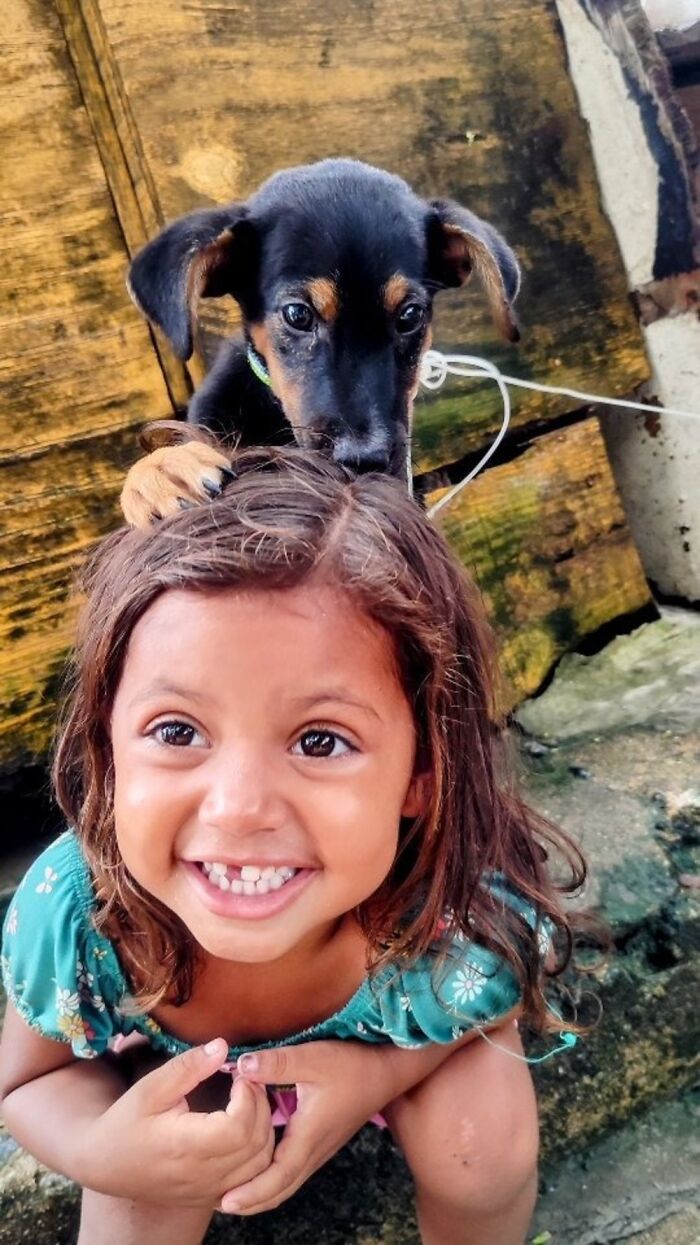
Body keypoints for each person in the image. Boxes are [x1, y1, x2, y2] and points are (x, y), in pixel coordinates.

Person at [0, 446, 590, 1245]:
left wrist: (375, 1073)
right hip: (199, 1075)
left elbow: (508, 971)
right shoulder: (80, 912)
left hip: (404, 1041)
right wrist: (98, 1150)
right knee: (137, 1203)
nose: (239, 808)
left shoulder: (438, 902)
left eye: (319, 741)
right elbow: (25, 1080)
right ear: (106, 750)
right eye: (177, 731)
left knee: (481, 1149)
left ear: (421, 773)